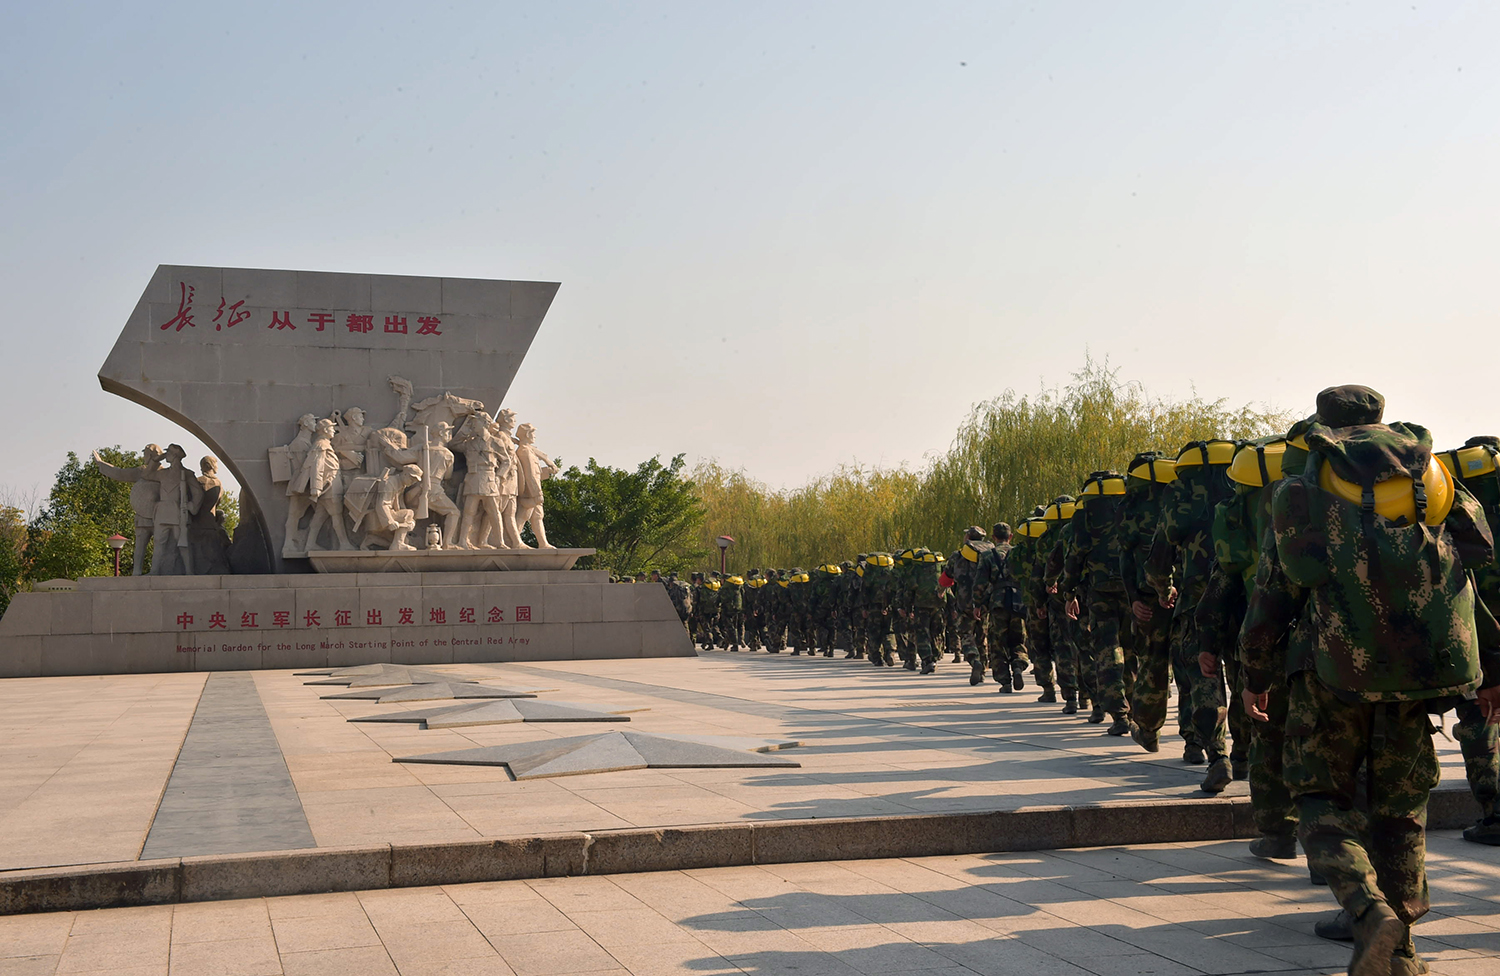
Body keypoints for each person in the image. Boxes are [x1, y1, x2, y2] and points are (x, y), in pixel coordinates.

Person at [1242, 385, 1500, 976]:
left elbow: (1275, 589)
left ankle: (1365, 908)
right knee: (1403, 810)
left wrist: (1256, 672)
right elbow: (1467, 570)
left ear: (1322, 424)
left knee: (1319, 796)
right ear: (1381, 420)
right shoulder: (1428, 477)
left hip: (1329, 671)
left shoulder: (1302, 488)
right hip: (1419, 674)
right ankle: (1404, 954)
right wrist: (1495, 666)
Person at [1146, 439, 1238, 779]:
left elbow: (1158, 557)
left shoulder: (1180, 495)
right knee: (1245, 674)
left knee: (1203, 676)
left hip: (1197, 600)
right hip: (1246, 599)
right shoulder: (1245, 485)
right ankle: (1245, 753)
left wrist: (1162, 588)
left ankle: (1215, 753)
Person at [1062, 473, 1134, 734]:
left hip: (1100, 592)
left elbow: (1075, 555)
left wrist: (1069, 592)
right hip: (1132, 588)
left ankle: (1119, 715)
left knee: (1107, 653)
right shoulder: (1132, 506)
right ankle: (1137, 708)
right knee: (1132, 650)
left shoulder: (1085, 515)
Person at [975, 522, 1030, 692]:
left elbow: (980, 583)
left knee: (998, 642)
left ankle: (1005, 681)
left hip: (998, 603)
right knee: (1018, 639)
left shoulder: (987, 555)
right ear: (1010, 537)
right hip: (1018, 601)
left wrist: (978, 604)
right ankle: (1018, 667)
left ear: (993, 537)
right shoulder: (1019, 553)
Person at [92, 444, 162, 576]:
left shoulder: (165, 473)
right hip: (142, 516)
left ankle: (157, 571)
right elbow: (120, 473)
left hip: (160, 518)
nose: (143, 457)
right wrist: (101, 464)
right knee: (140, 548)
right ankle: (137, 572)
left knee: (160, 547)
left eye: (145, 454)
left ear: (151, 456)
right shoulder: (142, 471)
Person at [941, 527, 993, 683]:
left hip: (965, 602)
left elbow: (946, 579)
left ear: (969, 537)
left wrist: (942, 590)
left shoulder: (958, 556)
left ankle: (973, 659)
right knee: (982, 634)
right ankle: (983, 669)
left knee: (966, 633)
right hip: (985, 601)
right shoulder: (990, 554)